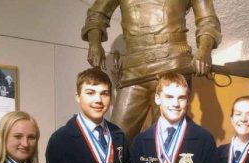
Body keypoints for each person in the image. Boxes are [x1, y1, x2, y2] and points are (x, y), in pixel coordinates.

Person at [82, 0, 222, 141]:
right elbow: (97, 14)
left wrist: (204, 51)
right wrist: (94, 43)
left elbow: (208, 20)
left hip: (173, 65)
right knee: (117, 137)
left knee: (166, 137)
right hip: (134, 69)